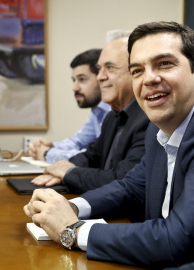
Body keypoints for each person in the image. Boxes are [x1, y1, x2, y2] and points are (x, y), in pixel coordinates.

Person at [24, 21, 194, 268]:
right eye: (137, 70)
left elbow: (176, 239)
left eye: (164, 64)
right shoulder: (158, 132)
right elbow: (130, 187)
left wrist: (72, 229)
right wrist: (69, 207)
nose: (149, 78)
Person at [31, 35, 149, 193]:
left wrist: (68, 173)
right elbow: (91, 156)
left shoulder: (149, 119)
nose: (100, 76)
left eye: (110, 68)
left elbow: (122, 178)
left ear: (136, 72)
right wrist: (61, 168)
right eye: (99, 69)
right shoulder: (113, 117)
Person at [29, 49, 111, 164]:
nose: (75, 88)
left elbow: (94, 158)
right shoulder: (98, 110)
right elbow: (78, 141)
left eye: (82, 79)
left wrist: (47, 153)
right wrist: (51, 146)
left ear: (101, 78)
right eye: (74, 80)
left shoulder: (113, 110)